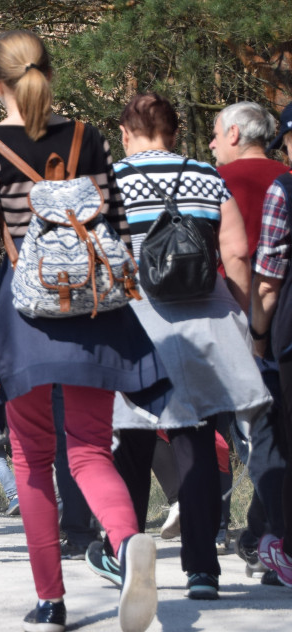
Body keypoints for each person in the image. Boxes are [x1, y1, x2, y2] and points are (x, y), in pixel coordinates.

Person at [0, 30, 160, 632]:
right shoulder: (88, 138)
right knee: (91, 451)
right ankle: (126, 544)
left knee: (30, 459)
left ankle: (51, 603)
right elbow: (117, 229)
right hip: (94, 313)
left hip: (23, 320)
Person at [107, 92, 270, 599]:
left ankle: (127, 557)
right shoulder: (206, 175)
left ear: (126, 133)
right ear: (176, 133)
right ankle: (202, 570)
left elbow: (99, 258)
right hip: (202, 325)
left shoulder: (111, 181)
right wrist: (245, 320)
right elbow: (238, 253)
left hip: (134, 326)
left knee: (128, 447)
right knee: (196, 444)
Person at [213, 100, 291, 584]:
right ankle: (261, 533)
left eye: (217, 135)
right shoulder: (283, 175)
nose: (211, 144)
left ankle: (273, 538)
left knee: (259, 434)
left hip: (248, 320)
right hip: (282, 322)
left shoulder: (222, 185)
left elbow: (242, 261)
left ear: (237, 134)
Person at [250, 101, 292, 588]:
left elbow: (268, 280)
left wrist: (258, 337)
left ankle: (280, 542)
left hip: (289, 334)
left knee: (281, 440)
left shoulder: (285, 191)